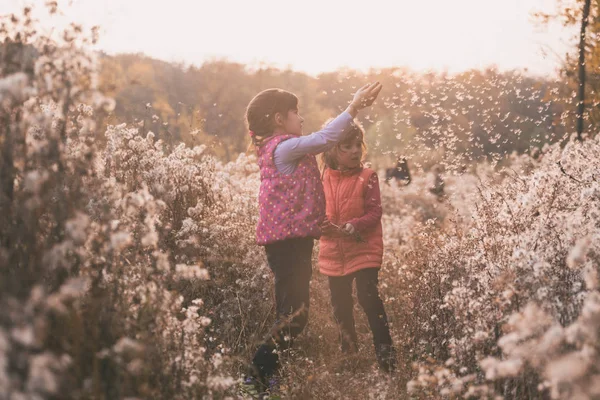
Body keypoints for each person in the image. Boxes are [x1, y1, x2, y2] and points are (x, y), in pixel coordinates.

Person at [244, 82, 383, 394]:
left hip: (291, 244)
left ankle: (265, 384)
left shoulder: (281, 147)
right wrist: (354, 107)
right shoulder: (284, 147)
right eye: (296, 113)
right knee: (294, 317)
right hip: (288, 246)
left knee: (291, 316)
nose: (301, 119)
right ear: (280, 118)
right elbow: (325, 138)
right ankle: (253, 381)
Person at [319, 120, 396, 373]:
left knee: (368, 298)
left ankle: (387, 358)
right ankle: (349, 357)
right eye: (346, 146)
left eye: (357, 145)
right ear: (331, 149)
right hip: (333, 251)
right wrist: (319, 226)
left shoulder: (368, 176)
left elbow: (375, 212)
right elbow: (319, 212)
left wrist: (356, 224)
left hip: (364, 248)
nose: (354, 151)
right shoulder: (322, 177)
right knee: (340, 306)